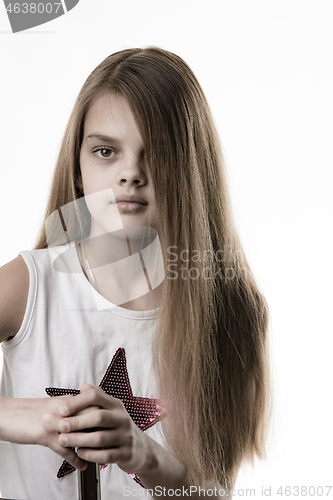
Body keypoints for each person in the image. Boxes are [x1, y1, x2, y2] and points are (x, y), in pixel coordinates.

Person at [0, 47, 272, 500]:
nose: (130, 174)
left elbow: (210, 492)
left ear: (191, 169)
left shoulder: (231, 312)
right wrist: (20, 415)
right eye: (106, 151)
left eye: (158, 152)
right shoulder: (29, 287)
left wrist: (142, 452)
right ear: (79, 168)